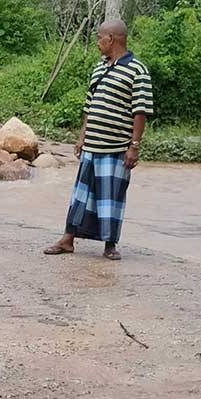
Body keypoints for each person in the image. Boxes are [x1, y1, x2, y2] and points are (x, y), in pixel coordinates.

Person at [44, 19, 154, 260]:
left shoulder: (137, 70)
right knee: (81, 196)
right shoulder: (99, 67)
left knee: (111, 197)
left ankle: (110, 245)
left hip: (116, 146)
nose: (97, 43)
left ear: (111, 39)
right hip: (92, 145)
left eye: (99, 38)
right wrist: (82, 137)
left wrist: (134, 146)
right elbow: (89, 105)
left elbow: (141, 111)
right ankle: (67, 239)